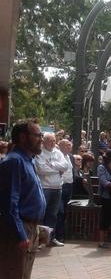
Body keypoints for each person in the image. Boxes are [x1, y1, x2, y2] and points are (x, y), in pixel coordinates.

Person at [0, 119, 46, 279]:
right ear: (22, 137)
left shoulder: (29, 160)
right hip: (18, 230)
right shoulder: (14, 161)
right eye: (37, 135)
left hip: (30, 228)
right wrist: (20, 234)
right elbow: (9, 204)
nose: (42, 139)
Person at [34, 132, 68, 247]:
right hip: (44, 187)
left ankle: (51, 238)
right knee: (42, 214)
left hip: (57, 187)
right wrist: (57, 169)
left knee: (53, 214)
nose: (52, 143)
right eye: (50, 140)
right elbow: (41, 169)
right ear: (44, 141)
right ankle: (40, 240)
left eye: (54, 141)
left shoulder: (58, 152)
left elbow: (65, 166)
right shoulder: (39, 153)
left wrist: (52, 165)